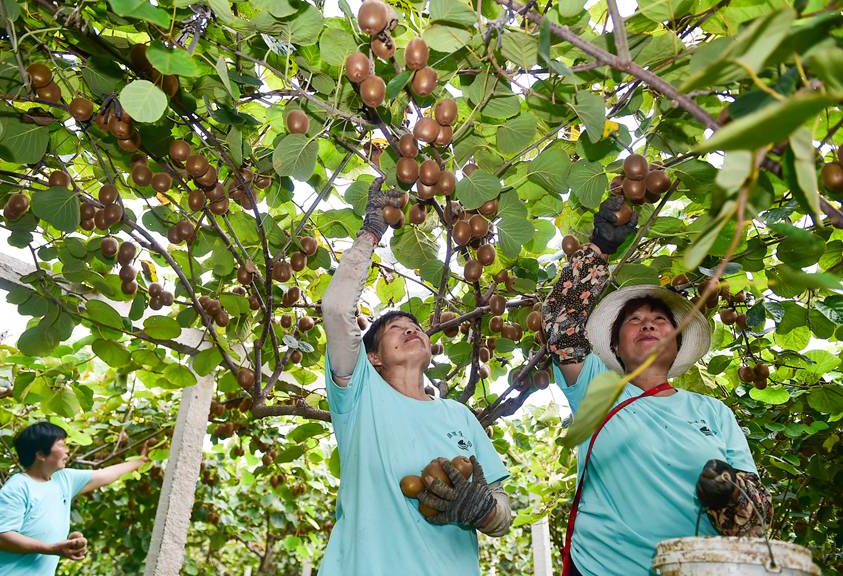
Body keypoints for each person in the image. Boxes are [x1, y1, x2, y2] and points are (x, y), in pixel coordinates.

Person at [541, 195, 773, 576]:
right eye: (634, 320)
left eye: (660, 319)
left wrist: (731, 494)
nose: (648, 324)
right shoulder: (597, 388)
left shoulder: (713, 413)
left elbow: (755, 522)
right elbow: (560, 323)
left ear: (677, 340)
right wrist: (599, 249)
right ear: (614, 346)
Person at [318, 177, 512, 575]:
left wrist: (484, 511)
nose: (411, 330)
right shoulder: (358, 396)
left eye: (416, 327)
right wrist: (372, 230)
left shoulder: (459, 416)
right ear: (372, 357)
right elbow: (337, 308)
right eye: (395, 329)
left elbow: (504, 510)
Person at [0, 421, 148, 575]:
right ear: (41, 454)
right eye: (62, 445)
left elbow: (106, 474)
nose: (67, 450)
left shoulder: (64, 479)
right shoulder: (17, 488)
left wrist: (141, 461)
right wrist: (51, 548)